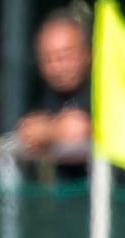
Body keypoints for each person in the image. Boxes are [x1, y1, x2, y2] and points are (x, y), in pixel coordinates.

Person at [16, 10, 93, 167]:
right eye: (48, 59)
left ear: (87, 54)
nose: (57, 67)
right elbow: (27, 131)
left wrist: (49, 131)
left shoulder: (103, 87)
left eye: (64, 56)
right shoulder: (45, 92)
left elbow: (79, 130)